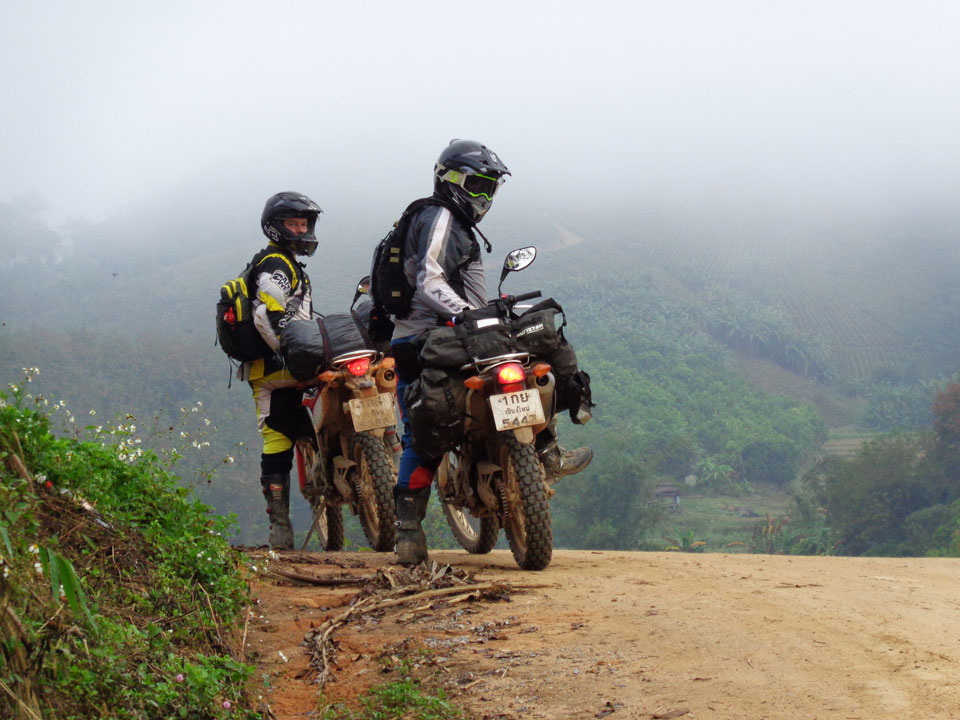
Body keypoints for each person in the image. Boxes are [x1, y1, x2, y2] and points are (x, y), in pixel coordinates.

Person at [390, 139, 593, 565]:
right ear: (450, 180)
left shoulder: (449, 221)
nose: (483, 196)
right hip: (427, 338)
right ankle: (407, 530)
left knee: (533, 362)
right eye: (477, 184)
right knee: (421, 428)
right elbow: (430, 281)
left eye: (490, 188)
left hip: (452, 335)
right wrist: (470, 315)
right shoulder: (440, 216)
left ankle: (544, 450)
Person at [238, 192, 322, 549]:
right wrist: (292, 354)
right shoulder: (277, 265)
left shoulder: (277, 261)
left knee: (277, 439)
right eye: (293, 224)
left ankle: (280, 529)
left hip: (269, 370)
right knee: (289, 432)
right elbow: (266, 315)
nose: (301, 230)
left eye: (305, 224)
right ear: (276, 227)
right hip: (279, 367)